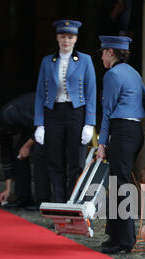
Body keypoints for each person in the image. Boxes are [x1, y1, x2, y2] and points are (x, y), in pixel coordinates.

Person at [97, 35, 145, 254]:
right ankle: (114, 235)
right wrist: (134, 113)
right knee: (118, 181)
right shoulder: (133, 73)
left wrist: (101, 142)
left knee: (119, 184)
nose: (101, 56)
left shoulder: (112, 74)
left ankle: (126, 239)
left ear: (110, 52)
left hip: (121, 130)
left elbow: (107, 111)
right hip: (134, 131)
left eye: (102, 52)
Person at [34, 20, 96, 203]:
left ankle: (73, 203)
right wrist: (39, 124)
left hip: (75, 113)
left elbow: (91, 92)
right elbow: (39, 94)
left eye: (70, 37)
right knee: (54, 161)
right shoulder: (47, 61)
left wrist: (89, 123)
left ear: (76, 38)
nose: (66, 40)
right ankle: (59, 204)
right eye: (63, 36)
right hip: (53, 114)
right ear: (57, 37)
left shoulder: (85, 60)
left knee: (76, 162)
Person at [0, 92, 51, 209]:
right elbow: (6, 157)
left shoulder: (10, 114)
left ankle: (42, 199)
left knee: (39, 152)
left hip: (46, 119)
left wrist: (27, 146)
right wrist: (8, 189)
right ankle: (23, 198)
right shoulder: (2, 127)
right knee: (18, 154)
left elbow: (40, 126)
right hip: (32, 127)